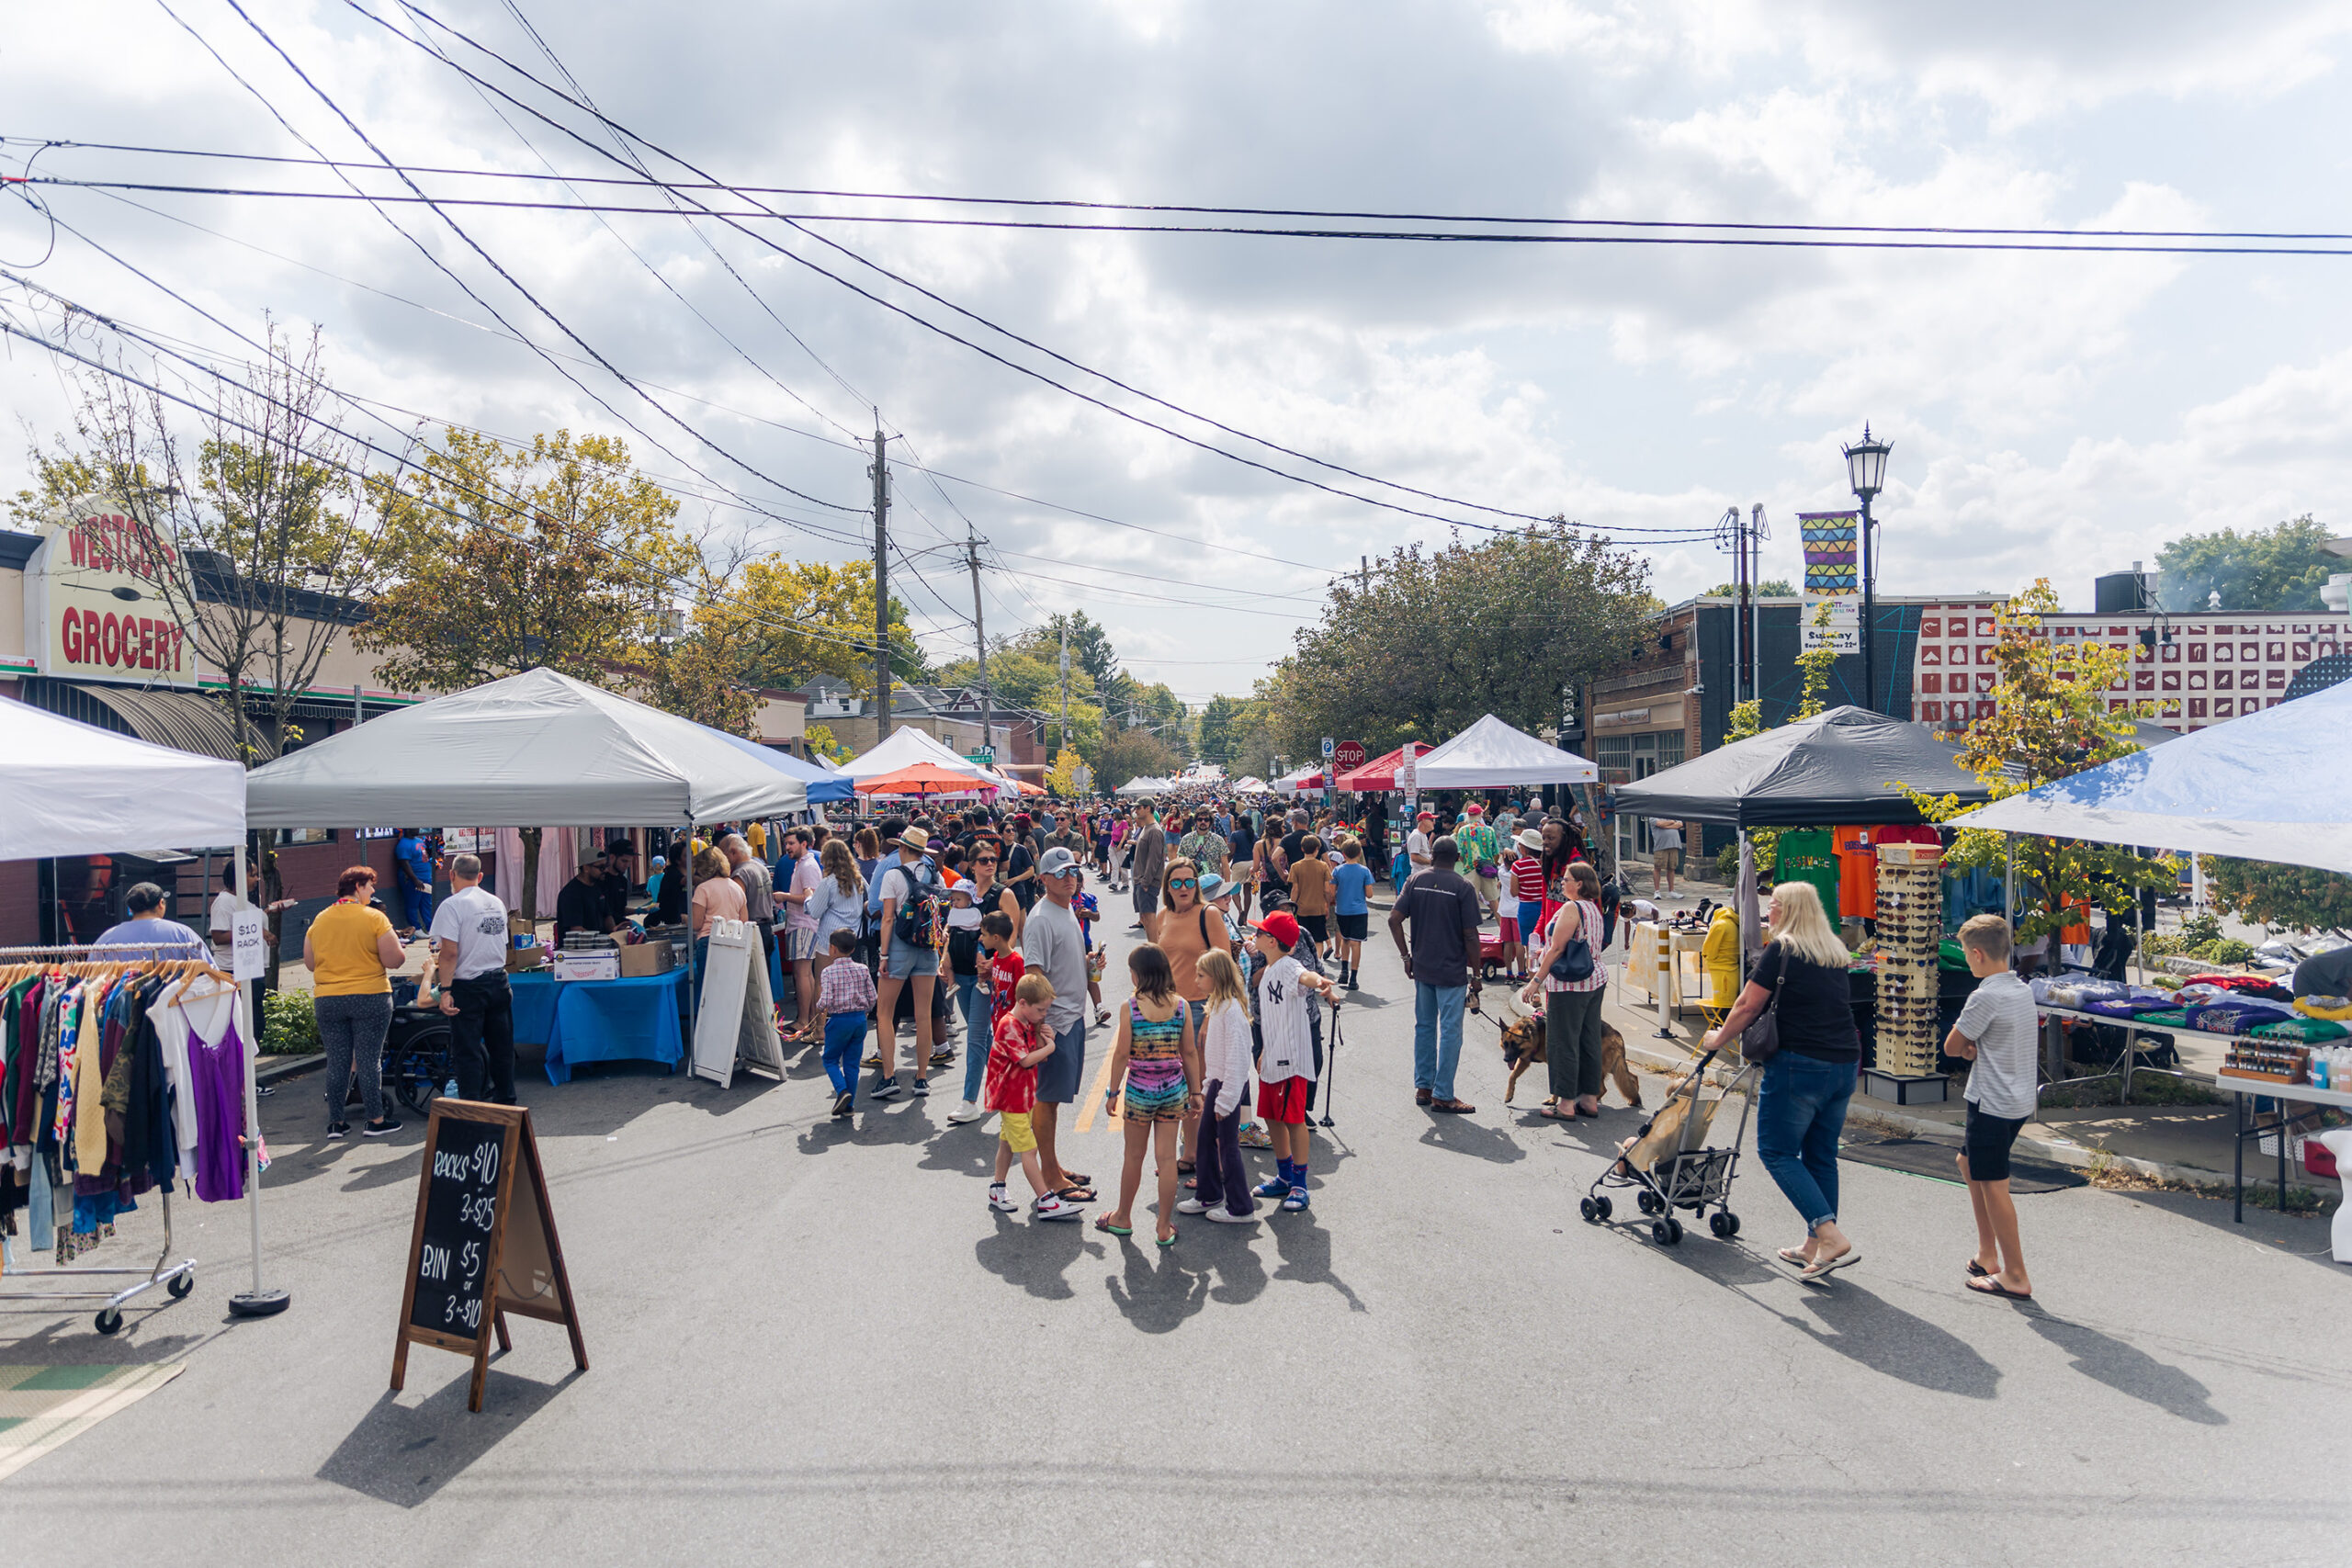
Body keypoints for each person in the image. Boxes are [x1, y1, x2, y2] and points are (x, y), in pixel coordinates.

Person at [1700, 880, 1861, 1283]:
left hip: (1799, 1062)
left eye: (1772, 906)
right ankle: (1816, 1245)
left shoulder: (1783, 948)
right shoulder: (1834, 951)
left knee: (1776, 1152)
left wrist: (1718, 1038)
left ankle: (1829, 1233)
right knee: (1821, 1154)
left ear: (1788, 911)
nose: (1767, 912)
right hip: (1842, 1062)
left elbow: (1748, 1003)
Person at [1947, 914, 2040, 1301]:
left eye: (1967, 955)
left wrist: (1969, 1047)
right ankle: (1988, 1253)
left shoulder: (1984, 995)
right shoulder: (2021, 988)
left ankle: (2015, 1273)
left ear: (1979, 954)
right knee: (1967, 1163)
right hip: (2017, 1099)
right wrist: (1975, 1047)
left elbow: (1953, 1047)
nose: (1967, 961)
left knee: (1994, 1184)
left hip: (1991, 1102)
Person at [1093, 944, 1203, 1246]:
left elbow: (1120, 1055)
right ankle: (1164, 1227)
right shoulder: (1180, 1005)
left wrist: (1113, 1092)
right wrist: (1196, 1092)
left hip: (1140, 1092)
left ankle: (1123, 1217)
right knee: (1167, 1159)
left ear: (1138, 974)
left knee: (1134, 1156)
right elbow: (1190, 1052)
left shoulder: (1131, 1007)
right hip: (1173, 1090)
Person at [303, 864, 407, 1138]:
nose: (373, 891)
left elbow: (310, 963)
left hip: (328, 1000)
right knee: (368, 1060)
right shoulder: (374, 918)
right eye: (370, 886)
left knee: (337, 1061)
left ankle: (336, 1123)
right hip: (370, 996)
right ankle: (375, 1120)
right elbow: (394, 960)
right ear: (358, 887)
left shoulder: (319, 920)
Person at [1248, 911, 1337, 1211]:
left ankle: (1300, 1184)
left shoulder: (1287, 965)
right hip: (1272, 1056)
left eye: (1260, 932)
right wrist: (1263, 1050)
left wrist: (1320, 980)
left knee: (1294, 1120)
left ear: (1271, 941)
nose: (1256, 935)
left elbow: (1305, 976)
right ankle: (1284, 1176)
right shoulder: (1271, 968)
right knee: (1272, 1117)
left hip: (1292, 1059)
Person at [1387, 836, 1482, 1114]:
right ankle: (1443, 1094)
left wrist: (1406, 956)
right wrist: (1476, 974)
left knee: (1425, 1027)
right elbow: (1471, 935)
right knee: (1451, 1032)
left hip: (1423, 967)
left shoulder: (1415, 881)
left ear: (1433, 855)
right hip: (1451, 971)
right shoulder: (1462, 887)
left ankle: (1424, 1086)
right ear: (1457, 857)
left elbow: (1394, 919)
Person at [1021, 847, 1094, 1203]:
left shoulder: (1065, 911)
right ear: (1044, 879)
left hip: (1071, 1017)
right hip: (1055, 1023)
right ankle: (1050, 1176)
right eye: (1061, 872)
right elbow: (1033, 976)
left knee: (1052, 1100)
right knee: (1046, 1100)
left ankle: (1053, 1165)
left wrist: (1088, 962)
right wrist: (1039, 1029)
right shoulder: (1041, 918)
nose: (1070, 878)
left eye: (1074, 871)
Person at [988, 973, 1080, 1222]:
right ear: (1023, 1003)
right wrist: (1050, 1045)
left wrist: (1042, 1037)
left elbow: (1034, 1055)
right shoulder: (1008, 1025)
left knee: (1007, 1143)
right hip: (1012, 1099)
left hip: (1023, 1095)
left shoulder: (1027, 1023)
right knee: (1029, 1150)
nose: (1044, 1015)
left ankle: (997, 1188)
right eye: (1041, 1010)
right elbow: (1026, 1060)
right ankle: (1045, 1200)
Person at [1521, 861, 1609, 1120]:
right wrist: (1545, 950)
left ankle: (1566, 1103)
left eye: (1566, 879)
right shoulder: (1593, 908)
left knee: (1562, 1041)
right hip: (1594, 977)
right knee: (1588, 1038)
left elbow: (1558, 948)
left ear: (1579, 884)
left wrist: (1536, 980)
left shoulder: (1572, 907)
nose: (1562, 882)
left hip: (1570, 983)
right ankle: (1589, 1098)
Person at [1179, 949, 1258, 1224]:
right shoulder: (1220, 1006)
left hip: (1228, 1088)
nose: (1196, 980)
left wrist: (1224, 1100)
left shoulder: (1232, 1011)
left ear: (1217, 977)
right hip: (1217, 1085)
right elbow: (1217, 1057)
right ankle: (1209, 1194)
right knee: (1204, 1141)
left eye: (1202, 975)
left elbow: (1237, 1061)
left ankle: (1240, 1207)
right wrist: (1207, 1086)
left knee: (1228, 1147)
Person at [430, 853, 515, 1103]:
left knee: (467, 1051)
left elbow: (449, 952)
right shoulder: (496, 902)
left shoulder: (452, 905)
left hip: (469, 985)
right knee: (501, 1048)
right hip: (499, 980)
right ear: (480, 876)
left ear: (452, 875)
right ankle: (506, 1102)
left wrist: (445, 990)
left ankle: (471, 1106)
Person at [871, 826, 945, 1100]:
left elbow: (887, 918)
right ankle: (921, 1078)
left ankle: (889, 1075)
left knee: (885, 1013)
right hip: (927, 947)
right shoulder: (933, 874)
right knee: (923, 1014)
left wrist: (884, 955)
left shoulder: (892, 875)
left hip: (900, 947)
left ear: (902, 848)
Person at [951, 910, 1023, 1123]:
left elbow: (1021, 991)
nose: (980, 938)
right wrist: (987, 974)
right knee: (1001, 1064)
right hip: (998, 1022)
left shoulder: (1015, 960)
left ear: (996, 938)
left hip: (1011, 1025)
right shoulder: (996, 959)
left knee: (1012, 1068)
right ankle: (1008, 1105)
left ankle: (1015, 1108)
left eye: (983, 934)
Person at [793, 840, 866, 1044]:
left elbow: (815, 911)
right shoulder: (858, 879)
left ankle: (819, 1030)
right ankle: (846, 1026)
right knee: (848, 982)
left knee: (822, 983)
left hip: (829, 938)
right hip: (852, 935)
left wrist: (808, 896)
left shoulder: (828, 883)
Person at [816, 927, 876, 1119]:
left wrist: (818, 1008)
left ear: (832, 949)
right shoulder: (863, 969)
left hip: (839, 1020)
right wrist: (865, 1010)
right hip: (859, 1019)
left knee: (830, 1059)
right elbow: (873, 996)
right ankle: (849, 1106)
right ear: (852, 949)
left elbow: (825, 1001)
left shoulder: (828, 972)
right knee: (852, 1063)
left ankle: (842, 1091)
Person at [688, 841, 748, 1011]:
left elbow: (697, 924)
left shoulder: (703, 889)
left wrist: (687, 919)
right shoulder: (737, 888)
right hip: (733, 942)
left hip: (709, 942)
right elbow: (744, 921)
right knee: (728, 991)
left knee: (708, 992)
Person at [94, 882, 206, 959]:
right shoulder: (182, 933)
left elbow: (90, 974)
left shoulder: (108, 938)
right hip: (175, 993)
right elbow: (209, 970)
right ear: (161, 903)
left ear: (130, 909)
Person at [1329, 837, 1375, 988]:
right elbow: (1369, 894)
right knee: (1356, 943)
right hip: (1359, 911)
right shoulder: (1364, 871)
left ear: (1343, 853)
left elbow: (1332, 893)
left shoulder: (1337, 870)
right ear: (1359, 853)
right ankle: (1354, 978)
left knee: (1345, 940)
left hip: (1342, 910)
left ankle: (1343, 971)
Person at [553, 853, 616, 947]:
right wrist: (601, 939)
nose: (606, 870)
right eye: (601, 867)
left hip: (597, 945)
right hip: (578, 951)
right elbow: (576, 929)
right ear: (586, 868)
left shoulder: (598, 887)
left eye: (606, 866)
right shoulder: (571, 893)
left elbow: (607, 915)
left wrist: (615, 931)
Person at [1458, 803, 1503, 919]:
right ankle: (1504, 933)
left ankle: (1470, 934)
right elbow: (1496, 853)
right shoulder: (1489, 830)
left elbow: (1461, 853)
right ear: (1480, 815)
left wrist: (1466, 863)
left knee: (1469, 903)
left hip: (1470, 868)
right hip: (1487, 869)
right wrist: (1493, 864)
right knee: (1494, 902)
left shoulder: (1463, 831)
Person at [393, 829, 435, 934]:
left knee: (426, 904)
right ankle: (416, 929)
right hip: (413, 880)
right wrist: (415, 880)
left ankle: (430, 928)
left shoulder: (419, 840)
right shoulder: (403, 844)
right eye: (415, 827)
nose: (418, 828)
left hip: (426, 878)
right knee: (412, 904)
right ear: (408, 828)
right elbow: (404, 864)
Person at [1129, 806, 1166, 927]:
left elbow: (1154, 859)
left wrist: (1146, 882)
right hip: (1141, 880)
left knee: (1150, 921)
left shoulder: (1154, 830)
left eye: (1139, 808)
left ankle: (1154, 945)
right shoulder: (1146, 828)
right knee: (1145, 919)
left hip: (1147, 883)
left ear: (1148, 809)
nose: (1136, 811)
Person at [600, 837, 639, 927]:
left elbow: (621, 910)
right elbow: (604, 912)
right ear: (612, 857)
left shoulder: (623, 881)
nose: (627, 865)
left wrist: (639, 911)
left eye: (630, 862)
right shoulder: (601, 880)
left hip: (620, 928)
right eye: (624, 861)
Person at [1650, 818, 1685, 897]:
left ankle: (1671, 891)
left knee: (1672, 868)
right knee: (1657, 867)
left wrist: (1666, 825)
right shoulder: (1653, 815)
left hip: (1674, 844)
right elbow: (1660, 824)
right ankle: (1657, 891)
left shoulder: (1672, 813)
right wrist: (1672, 821)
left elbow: (1680, 824)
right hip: (1661, 846)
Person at [1406, 810, 1436, 875]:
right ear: (1424, 820)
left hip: (1424, 873)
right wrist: (1431, 862)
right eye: (1431, 820)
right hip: (1419, 874)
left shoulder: (1423, 835)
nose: (1434, 822)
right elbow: (1414, 857)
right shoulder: (1416, 836)